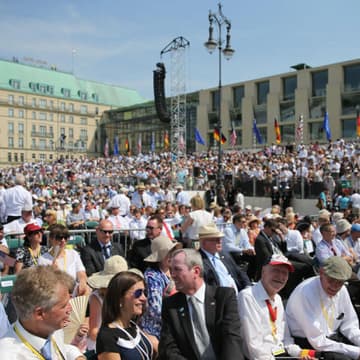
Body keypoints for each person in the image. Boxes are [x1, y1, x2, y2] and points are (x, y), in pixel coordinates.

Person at [158, 248, 244, 359]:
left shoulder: (223, 297)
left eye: (177, 269)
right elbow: (169, 348)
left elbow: (231, 339)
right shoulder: (171, 305)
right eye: (171, 270)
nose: (172, 275)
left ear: (196, 271)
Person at [238, 253, 315, 360]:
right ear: (263, 271)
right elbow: (254, 348)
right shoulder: (248, 297)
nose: (281, 277)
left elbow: (286, 339)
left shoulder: (278, 299)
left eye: (285, 273)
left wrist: (301, 354)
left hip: (280, 354)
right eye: (276, 270)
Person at [0, 266, 85, 359]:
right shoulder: (9, 356)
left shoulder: (51, 328)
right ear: (40, 314)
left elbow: (60, 349)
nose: (70, 308)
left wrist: (76, 356)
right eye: (64, 306)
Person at [286, 256, 360, 360]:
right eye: (331, 280)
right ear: (321, 273)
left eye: (339, 282)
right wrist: (356, 352)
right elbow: (317, 341)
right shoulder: (305, 293)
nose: (334, 286)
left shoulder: (342, 290)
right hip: (307, 342)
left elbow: (350, 325)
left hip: (332, 338)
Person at [96, 271, 153, 360]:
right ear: (120, 299)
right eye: (138, 293)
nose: (144, 298)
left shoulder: (134, 327)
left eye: (144, 292)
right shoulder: (107, 336)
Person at [140, 235, 180, 353]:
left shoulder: (173, 270)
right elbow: (155, 309)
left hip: (173, 325)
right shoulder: (152, 276)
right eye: (168, 252)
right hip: (156, 330)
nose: (171, 255)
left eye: (172, 251)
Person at [86, 255, 129, 352]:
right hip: (102, 345)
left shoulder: (127, 296)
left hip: (123, 341)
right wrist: (115, 337)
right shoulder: (97, 298)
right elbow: (93, 331)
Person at [198, 222, 251, 292]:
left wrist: (247, 286)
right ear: (204, 242)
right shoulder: (198, 260)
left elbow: (239, 271)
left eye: (220, 238)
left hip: (238, 293)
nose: (220, 241)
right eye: (215, 239)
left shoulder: (224, 254)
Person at [38, 224, 88, 296]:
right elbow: (44, 284)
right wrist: (53, 273)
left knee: (87, 289)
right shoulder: (43, 259)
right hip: (55, 294)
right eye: (59, 238)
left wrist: (82, 282)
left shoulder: (73, 254)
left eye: (66, 237)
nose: (63, 240)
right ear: (51, 239)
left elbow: (81, 273)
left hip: (73, 292)